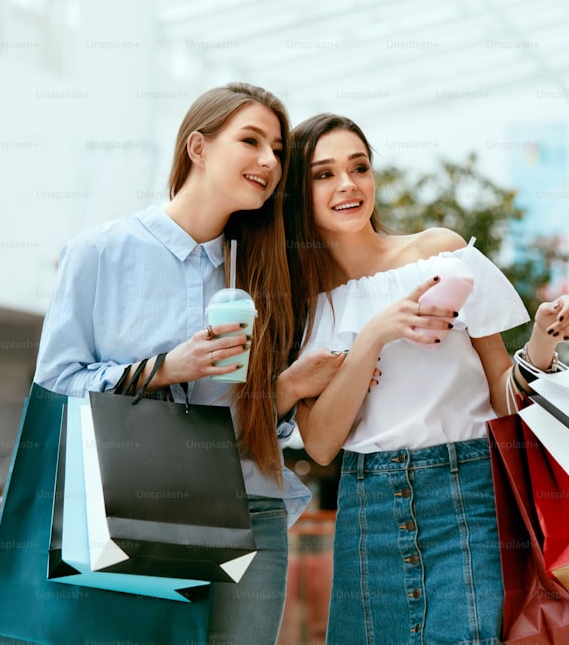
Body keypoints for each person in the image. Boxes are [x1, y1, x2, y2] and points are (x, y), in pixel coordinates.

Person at [34, 83, 347, 643]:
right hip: (135, 501)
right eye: (250, 140)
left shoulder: (270, 270)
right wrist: (166, 368)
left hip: (252, 503)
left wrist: (287, 389)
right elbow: (55, 387)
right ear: (197, 147)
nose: (269, 161)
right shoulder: (100, 252)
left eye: (277, 149)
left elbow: (255, 423)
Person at [282, 113, 569, 643]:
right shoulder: (302, 306)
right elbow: (323, 445)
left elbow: (503, 397)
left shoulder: (439, 254)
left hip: (467, 493)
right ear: (298, 192)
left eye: (359, 166)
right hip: (367, 505)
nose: (348, 185)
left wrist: (541, 343)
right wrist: (375, 335)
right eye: (324, 174)